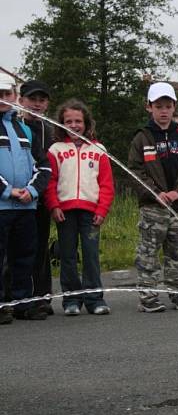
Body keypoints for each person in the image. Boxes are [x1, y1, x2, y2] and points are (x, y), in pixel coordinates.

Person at [128, 82, 178, 312]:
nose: (163, 111)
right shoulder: (142, 137)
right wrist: (155, 193)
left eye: (168, 106)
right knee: (148, 252)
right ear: (148, 107)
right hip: (153, 206)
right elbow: (134, 170)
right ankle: (148, 296)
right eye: (158, 106)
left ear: (174, 107)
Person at [45, 99, 114, 316]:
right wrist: (53, 206)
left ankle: (95, 299)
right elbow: (50, 182)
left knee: (91, 254)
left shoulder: (98, 149)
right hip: (64, 211)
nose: (74, 125)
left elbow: (106, 184)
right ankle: (71, 299)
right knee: (67, 255)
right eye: (69, 121)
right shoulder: (55, 150)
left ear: (86, 123)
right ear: (61, 123)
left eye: (78, 121)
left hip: (91, 211)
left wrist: (102, 210)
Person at [0, 73, 52, 324]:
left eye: (7, 94)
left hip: (26, 206)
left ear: (14, 97)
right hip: (2, 204)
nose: (3, 99)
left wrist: (31, 192)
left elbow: (43, 166)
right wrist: (8, 190)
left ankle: (22, 302)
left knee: (25, 255)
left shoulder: (25, 130)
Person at [18, 80, 55, 316]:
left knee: (41, 248)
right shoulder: (17, 126)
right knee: (19, 250)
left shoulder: (52, 131)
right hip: (19, 198)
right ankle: (17, 297)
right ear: (22, 101)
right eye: (33, 99)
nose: (37, 104)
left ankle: (42, 296)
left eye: (41, 100)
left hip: (43, 198)